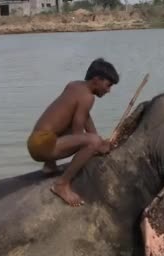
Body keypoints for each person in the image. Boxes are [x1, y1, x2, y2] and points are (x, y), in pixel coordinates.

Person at [27, 58, 119, 207]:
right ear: (96, 80)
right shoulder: (88, 97)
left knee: (78, 130)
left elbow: (84, 116)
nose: (109, 90)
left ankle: (49, 166)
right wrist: (98, 145)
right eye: (108, 85)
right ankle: (62, 184)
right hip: (43, 145)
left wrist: (99, 140)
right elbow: (78, 132)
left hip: (35, 141)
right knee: (93, 142)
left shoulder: (73, 86)